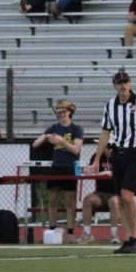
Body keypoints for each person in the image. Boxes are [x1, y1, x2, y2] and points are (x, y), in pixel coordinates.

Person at [85, 70, 136, 255]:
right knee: (120, 198)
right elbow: (105, 133)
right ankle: (128, 239)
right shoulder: (110, 106)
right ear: (114, 85)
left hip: (135, 153)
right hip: (118, 154)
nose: (123, 85)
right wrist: (97, 159)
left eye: (125, 82)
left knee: (127, 196)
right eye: (119, 82)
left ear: (130, 83)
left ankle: (135, 237)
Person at [32, 99, 83, 236]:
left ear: (70, 112)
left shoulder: (76, 129)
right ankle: (52, 230)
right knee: (52, 200)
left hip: (70, 167)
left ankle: (70, 232)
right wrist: (45, 137)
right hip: (56, 167)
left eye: (64, 112)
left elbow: (75, 150)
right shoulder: (54, 128)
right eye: (59, 112)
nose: (61, 115)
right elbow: (35, 144)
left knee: (70, 202)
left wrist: (61, 141)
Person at [75, 149, 121, 245]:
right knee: (87, 200)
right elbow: (91, 170)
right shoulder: (97, 156)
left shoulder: (119, 156)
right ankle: (87, 233)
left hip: (115, 193)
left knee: (114, 202)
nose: (106, 149)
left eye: (109, 147)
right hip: (100, 193)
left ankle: (114, 234)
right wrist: (89, 169)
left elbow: (121, 173)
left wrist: (110, 173)